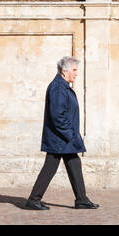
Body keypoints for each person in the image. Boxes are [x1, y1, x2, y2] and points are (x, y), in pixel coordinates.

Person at [25, 56, 98, 210]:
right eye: (74, 70)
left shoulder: (62, 86)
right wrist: (70, 135)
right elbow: (57, 115)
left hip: (63, 137)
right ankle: (33, 199)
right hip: (60, 138)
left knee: (74, 164)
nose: (76, 74)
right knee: (50, 167)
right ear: (64, 71)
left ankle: (81, 199)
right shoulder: (59, 88)